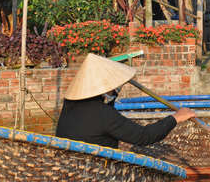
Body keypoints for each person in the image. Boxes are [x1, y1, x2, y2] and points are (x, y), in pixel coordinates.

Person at [56, 53, 196, 149]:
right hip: (96, 171)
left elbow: (106, 111)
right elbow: (144, 136)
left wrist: (112, 95)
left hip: (72, 166)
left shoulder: (70, 104)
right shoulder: (102, 114)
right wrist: (175, 118)